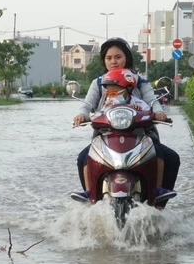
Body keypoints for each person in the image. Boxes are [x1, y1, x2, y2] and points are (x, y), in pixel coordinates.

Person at [72, 37, 180, 206]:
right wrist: (81, 115)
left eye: (118, 57)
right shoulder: (99, 83)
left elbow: (153, 102)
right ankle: (90, 196)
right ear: (104, 61)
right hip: (105, 134)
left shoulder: (139, 81)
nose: (113, 61)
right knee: (83, 158)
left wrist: (158, 113)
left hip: (140, 134)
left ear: (126, 58)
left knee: (170, 157)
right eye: (109, 58)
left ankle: (158, 198)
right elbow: (87, 105)